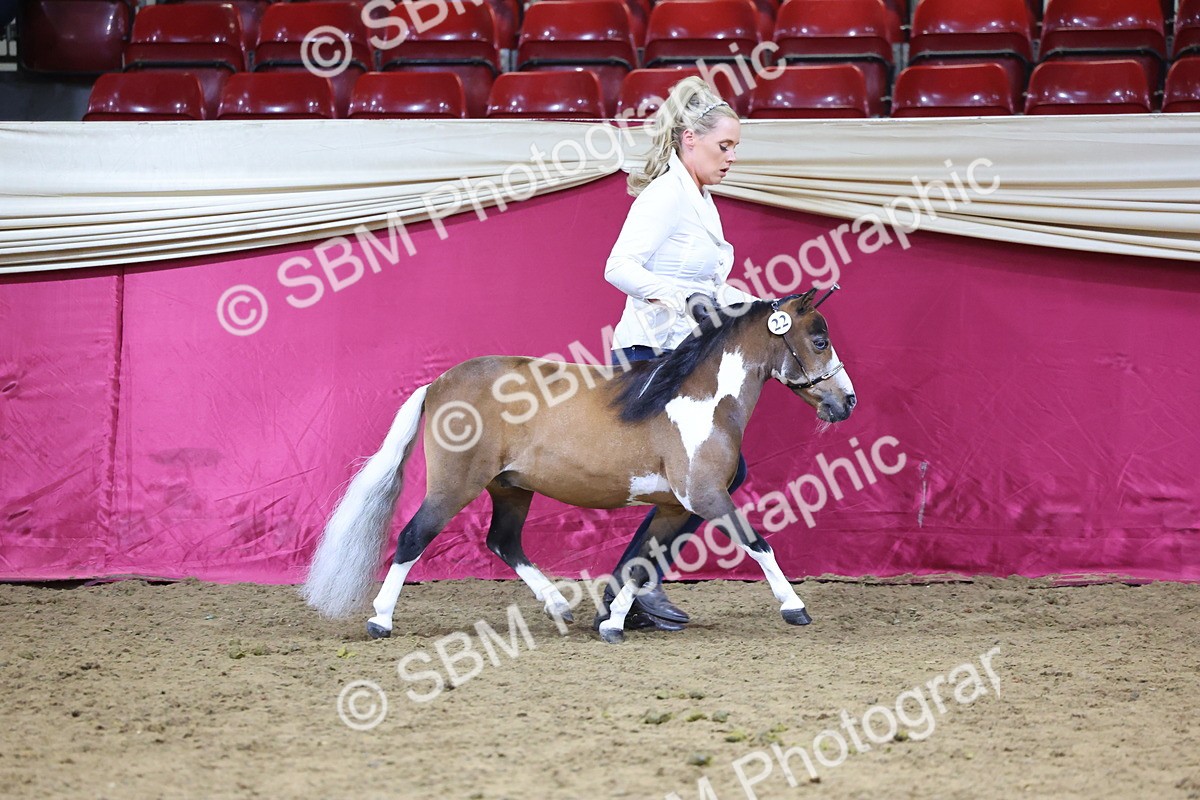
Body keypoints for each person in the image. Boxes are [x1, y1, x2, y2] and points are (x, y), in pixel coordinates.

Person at [596, 77, 760, 632]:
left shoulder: (701, 201)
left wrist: (756, 303)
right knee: (717, 473)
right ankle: (633, 586)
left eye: (735, 147)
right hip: (647, 350)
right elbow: (618, 267)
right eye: (726, 146)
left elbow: (710, 285)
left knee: (720, 473)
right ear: (691, 139)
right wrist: (677, 296)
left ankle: (632, 586)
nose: (732, 157)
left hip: (681, 354)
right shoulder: (665, 195)